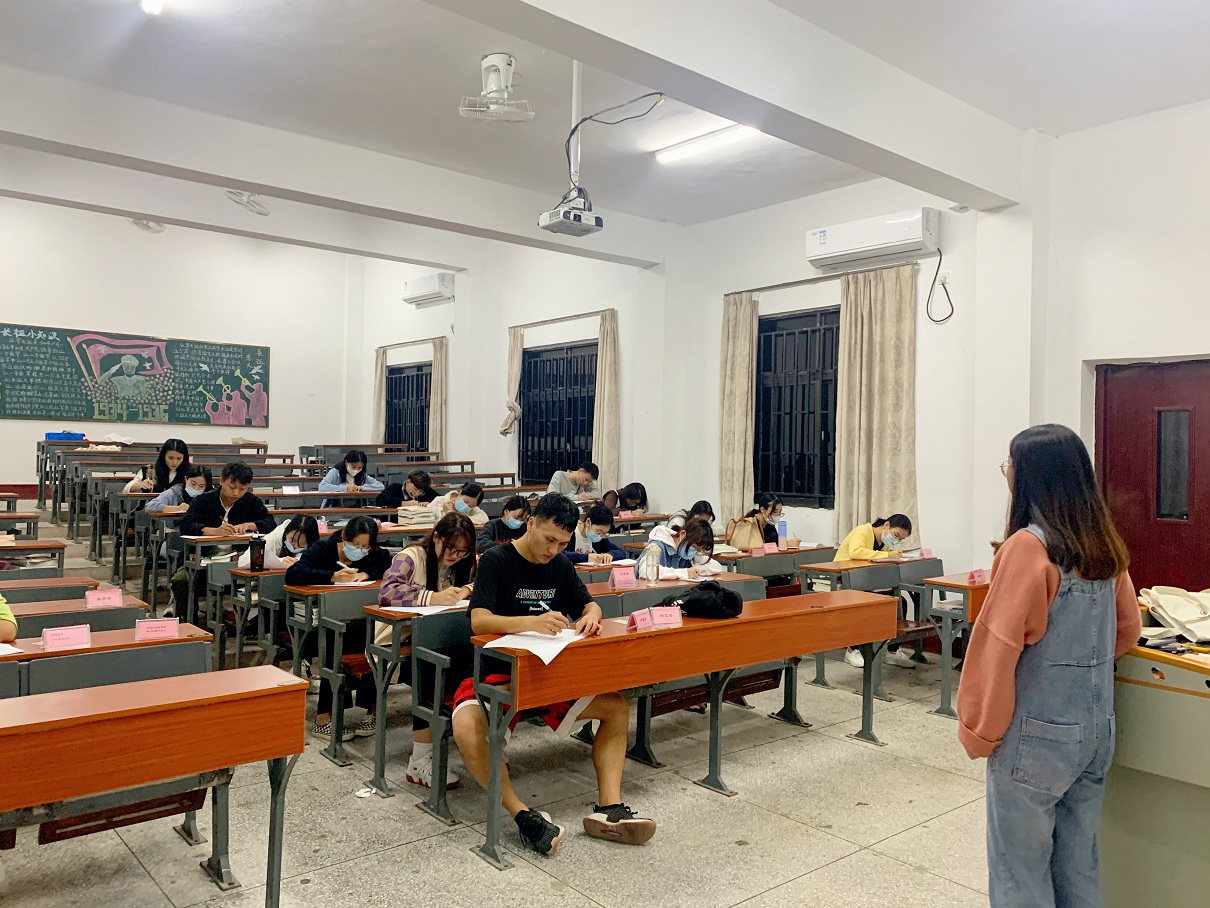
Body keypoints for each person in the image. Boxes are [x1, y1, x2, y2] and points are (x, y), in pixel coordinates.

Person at [957, 424, 1140, 907]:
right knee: (1079, 864)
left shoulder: (1027, 547)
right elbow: (1127, 630)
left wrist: (979, 729)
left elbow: (996, 648)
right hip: (1097, 732)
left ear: (1030, 477)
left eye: (1010, 466)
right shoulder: (1104, 546)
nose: (1007, 475)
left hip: (1036, 738)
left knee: (1020, 873)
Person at [452, 493, 656, 856]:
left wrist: (591, 615)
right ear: (531, 523)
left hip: (546, 672)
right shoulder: (497, 560)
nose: (553, 550)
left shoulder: (561, 565)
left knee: (616, 707)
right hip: (495, 671)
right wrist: (531, 621)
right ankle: (523, 815)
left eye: (562, 543)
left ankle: (609, 809)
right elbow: (479, 620)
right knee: (467, 726)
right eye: (549, 540)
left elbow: (588, 604)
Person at [378, 513, 477, 789]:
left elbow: (483, 580)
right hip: (401, 642)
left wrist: (466, 590)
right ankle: (420, 760)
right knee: (430, 664)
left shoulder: (466, 560)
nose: (455, 556)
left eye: (462, 551)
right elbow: (387, 592)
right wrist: (433, 597)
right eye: (450, 548)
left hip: (445, 638)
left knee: (475, 658)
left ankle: (476, 741)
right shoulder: (412, 557)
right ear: (436, 538)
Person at [286, 515, 392, 740]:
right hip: (321, 623)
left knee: (377, 641)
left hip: (360, 621)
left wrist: (367, 573)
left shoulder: (375, 554)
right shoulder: (322, 550)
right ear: (344, 537)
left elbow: (389, 568)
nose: (360, 550)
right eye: (355, 544)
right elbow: (294, 573)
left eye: (365, 546)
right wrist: (332, 576)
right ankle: (324, 718)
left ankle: (372, 711)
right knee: (334, 641)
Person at [172, 462, 276, 618]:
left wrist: (250, 525)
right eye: (232, 487)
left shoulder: (250, 501)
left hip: (239, 562)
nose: (236, 493)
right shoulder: (204, 500)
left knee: (271, 578)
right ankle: (188, 622)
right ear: (221, 481)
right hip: (202, 561)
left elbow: (270, 523)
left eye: (242, 488)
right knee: (181, 580)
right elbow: (186, 525)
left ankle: (251, 624)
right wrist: (213, 531)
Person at [836, 513, 914, 668]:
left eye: (901, 539)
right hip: (844, 582)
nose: (896, 541)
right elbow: (855, 552)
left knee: (899, 602)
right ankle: (851, 650)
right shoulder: (863, 531)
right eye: (896, 536)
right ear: (886, 525)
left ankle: (892, 652)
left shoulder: (884, 543)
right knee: (863, 605)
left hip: (866, 583)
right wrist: (887, 555)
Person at [637, 518, 723, 580]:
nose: (695, 552)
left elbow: (716, 567)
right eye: (694, 547)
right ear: (682, 534)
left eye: (700, 550)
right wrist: (684, 573)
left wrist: (695, 570)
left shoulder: (689, 553)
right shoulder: (656, 546)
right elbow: (646, 571)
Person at [237, 515, 320, 570]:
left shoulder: (314, 546)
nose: (295, 547)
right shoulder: (274, 537)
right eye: (292, 540)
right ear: (286, 532)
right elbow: (243, 561)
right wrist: (279, 561)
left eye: (301, 544)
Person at [318, 449, 384, 507]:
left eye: (359, 468)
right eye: (354, 467)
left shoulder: (362, 475)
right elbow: (322, 486)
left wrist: (362, 488)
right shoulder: (335, 472)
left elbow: (380, 486)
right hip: (335, 508)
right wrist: (346, 489)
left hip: (357, 509)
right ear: (346, 462)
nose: (356, 470)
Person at [123, 438, 190, 493]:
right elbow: (126, 489)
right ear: (163, 456)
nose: (175, 462)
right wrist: (139, 485)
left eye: (179, 459)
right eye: (170, 458)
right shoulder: (149, 470)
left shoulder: (190, 472)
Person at [146, 464, 212, 516]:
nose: (196, 488)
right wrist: (178, 508)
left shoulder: (211, 495)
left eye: (201, 486)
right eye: (193, 484)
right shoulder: (175, 492)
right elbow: (150, 506)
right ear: (186, 479)